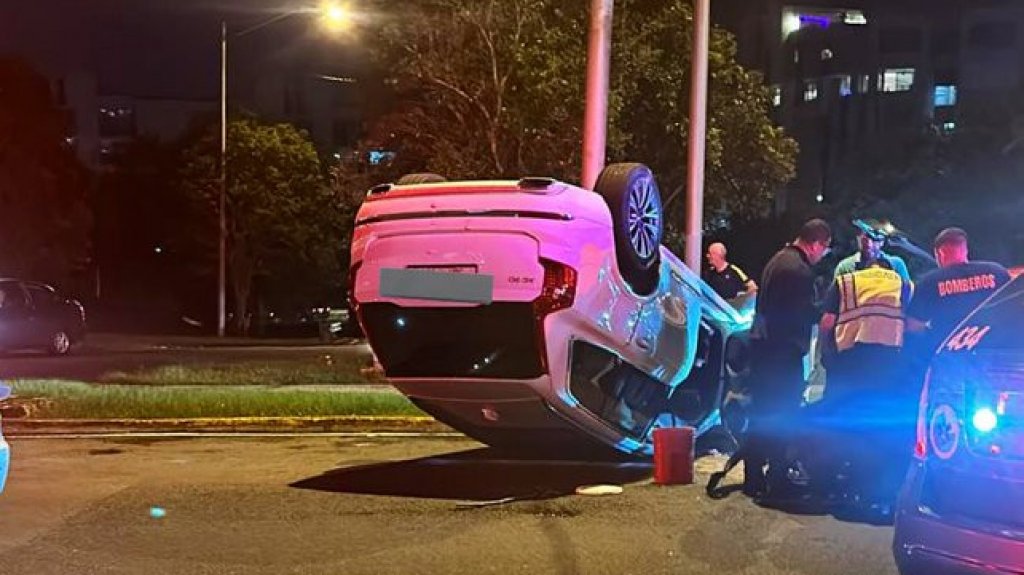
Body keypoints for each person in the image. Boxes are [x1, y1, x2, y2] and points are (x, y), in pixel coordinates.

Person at [742, 218, 832, 499]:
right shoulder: (799, 271)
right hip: (782, 354)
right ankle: (778, 479)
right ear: (816, 243)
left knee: (761, 414)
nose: (823, 255)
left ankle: (753, 476)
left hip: (764, 351)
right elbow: (799, 311)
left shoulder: (777, 260)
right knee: (784, 414)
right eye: (824, 249)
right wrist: (822, 316)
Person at [813, 254, 912, 505]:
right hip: (888, 366)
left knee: (847, 423)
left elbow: (826, 323)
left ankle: (843, 483)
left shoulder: (846, 281)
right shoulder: (903, 284)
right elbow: (912, 325)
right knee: (880, 426)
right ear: (888, 270)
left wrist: (828, 357)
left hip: (850, 364)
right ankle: (879, 488)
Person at [905, 227, 1010, 357]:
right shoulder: (997, 272)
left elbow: (914, 325)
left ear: (939, 254)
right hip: (999, 352)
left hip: (951, 355)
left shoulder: (930, 282)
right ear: (965, 249)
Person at [833, 223, 911, 283]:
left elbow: (906, 292)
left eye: (874, 240)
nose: (869, 244)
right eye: (865, 239)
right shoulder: (846, 266)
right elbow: (836, 296)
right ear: (858, 238)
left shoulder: (896, 264)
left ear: (882, 242)